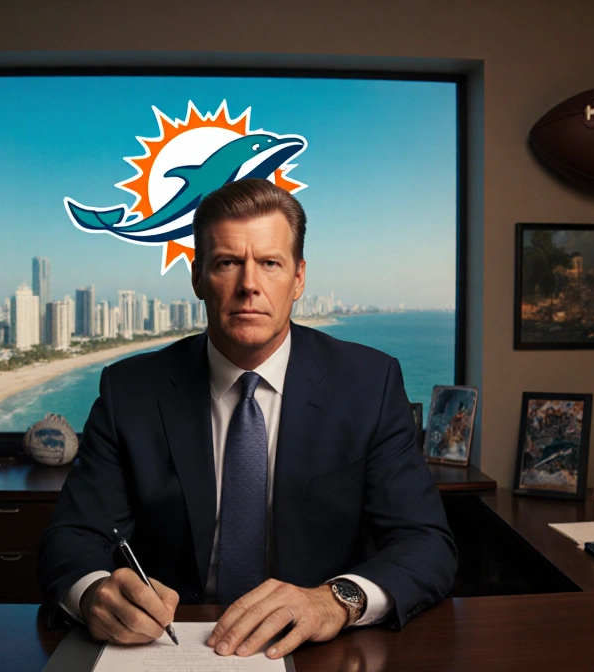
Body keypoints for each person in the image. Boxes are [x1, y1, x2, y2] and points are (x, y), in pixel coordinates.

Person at [38, 178, 456, 660]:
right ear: (198, 279)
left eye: (270, 263)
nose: (249, 285)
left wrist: (335, 601)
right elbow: (71, 537)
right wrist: (94, 592)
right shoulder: (129, 391)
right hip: (166, 649)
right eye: (227, 263)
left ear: (299, 278)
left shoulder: (369, 385)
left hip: (316, 651)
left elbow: (426, 543)